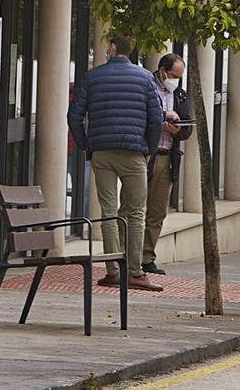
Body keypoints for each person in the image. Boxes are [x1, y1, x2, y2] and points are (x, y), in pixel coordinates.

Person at [67, 33, 164, 291]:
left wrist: (86, 144)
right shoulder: (145, 78)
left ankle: (112, 270)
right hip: (134, 153)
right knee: (135, 212)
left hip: (103, 153)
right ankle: (134, 271)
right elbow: (156, 119)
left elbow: (74, 115)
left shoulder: (92, 77)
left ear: (112, 48)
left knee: (108, 212)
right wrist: (149, 150)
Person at [142, 53, 193, 275]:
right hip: (144, 156)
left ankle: (146, 257)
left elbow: (188, 129)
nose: (176, 80)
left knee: (157, 212)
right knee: (131, 209)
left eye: (179, 77)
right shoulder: (146, 87)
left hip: (167, 157)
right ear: (163, 71)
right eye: (173, 75)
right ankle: (125, 255)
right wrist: (161, 120)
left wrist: (177, 130)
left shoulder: (180, 95)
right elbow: (140, 116)